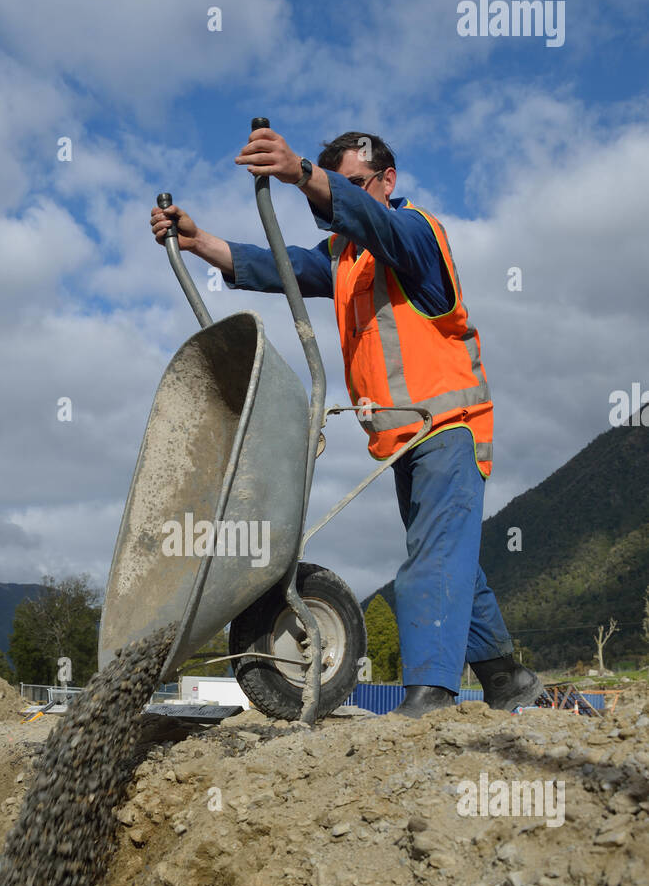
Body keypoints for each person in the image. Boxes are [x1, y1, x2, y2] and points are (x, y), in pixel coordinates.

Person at [150, 126, 541, 718]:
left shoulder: (414, 233)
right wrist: (201, 240)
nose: (336, 202)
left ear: (387, 181)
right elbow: (278, 265)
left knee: (431, 559)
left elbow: (377, 224)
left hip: (449, 423)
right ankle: (507, 680)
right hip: (401, 437)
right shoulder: (344, 260)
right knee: (449, 552)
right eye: (330, 193)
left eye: (354, 184)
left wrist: (304, 173)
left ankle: (429, 696)